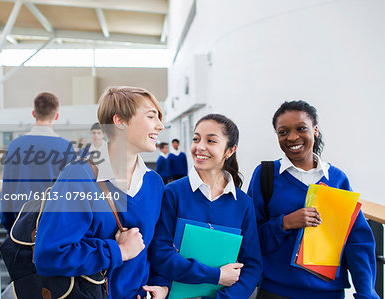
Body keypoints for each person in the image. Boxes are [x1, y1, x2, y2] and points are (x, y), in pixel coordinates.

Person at [34, 86, 168, 298]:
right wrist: (119, 251)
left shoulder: (154, 183)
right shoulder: (78, 177)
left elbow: (156, 246)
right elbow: (49, 255)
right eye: (151, 116)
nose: (160, 125)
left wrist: (161, 285)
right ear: (120, 121)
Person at [248, 100, 379, 299]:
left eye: (301, 128)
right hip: (275, 292)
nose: (292, 137)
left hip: (328, 294)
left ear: (315, 130)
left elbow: (357, 242)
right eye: (283, 132)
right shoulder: (265, 175)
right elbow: (251, 239)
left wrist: (366, 293)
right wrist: (285, 223)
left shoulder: (337, 179)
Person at [149, 114, 263, 298]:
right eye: (196, 139)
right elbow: (160, 253)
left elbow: (252, 265)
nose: (200, 147)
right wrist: (216, 276)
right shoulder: (172, 193)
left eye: (211, 140)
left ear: (230, 150)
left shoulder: (243, 203)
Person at [0, 92, 73, 233]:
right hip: (53, 223)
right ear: (56, 116)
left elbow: (8, 187)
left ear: (34, 113)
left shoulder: (15, 145)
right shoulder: (65, 147)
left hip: (21, 220)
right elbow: (70, 192)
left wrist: (9, 223)